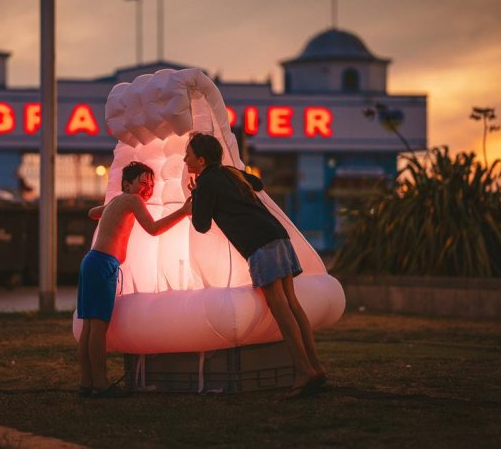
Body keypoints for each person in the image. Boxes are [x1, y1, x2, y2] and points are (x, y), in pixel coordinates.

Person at [184, 132, 327, 399]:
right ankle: (315, 368)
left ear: (201, 160)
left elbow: (201, 225)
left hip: (258, 243)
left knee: (279, 307)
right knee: (292, 303)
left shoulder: (205, 183)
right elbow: (257, 183)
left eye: (188, 155)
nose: (184, 159)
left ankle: (302, 371)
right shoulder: (229, 173)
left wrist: (196, 199)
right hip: (277, 235)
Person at [77, 161, 192, 398]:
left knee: (90, 326)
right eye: (143, 182)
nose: (147, 188)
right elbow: (152, 228)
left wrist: (108, 208)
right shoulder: (132, 200)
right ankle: (100, 383)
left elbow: (91, 213)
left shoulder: (120, 201)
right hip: (103, 263)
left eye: (151, 184)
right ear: (127, 185)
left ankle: (86, 382)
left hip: (92, 262)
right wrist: (183, 211)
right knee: (98, 327)